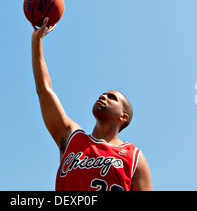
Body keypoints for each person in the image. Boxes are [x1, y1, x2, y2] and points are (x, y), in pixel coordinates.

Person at [31, 17, 153, 192]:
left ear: (123, 117)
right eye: (103, 94)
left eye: (112, 97)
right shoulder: (72, 137)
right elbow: (44, 90)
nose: (103, 96)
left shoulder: (134, 157)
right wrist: (37, 41)